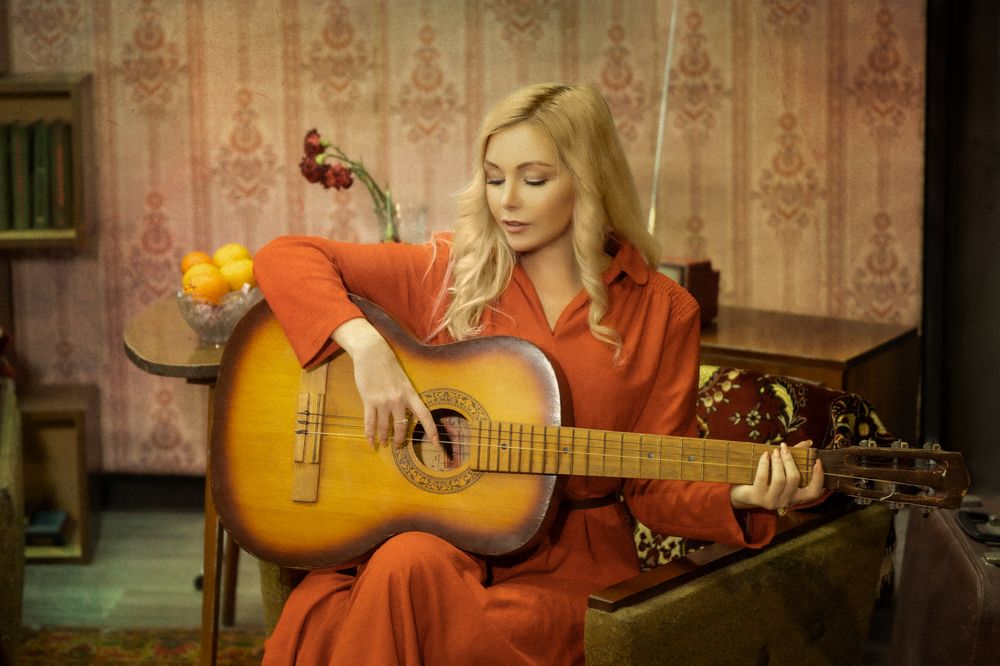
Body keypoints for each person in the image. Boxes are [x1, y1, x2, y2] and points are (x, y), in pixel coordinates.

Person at [254, 82, 825, 665]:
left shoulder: (663, 310)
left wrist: (743, 493)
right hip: (439, 541)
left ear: (588, 180)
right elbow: (285, 256)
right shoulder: (452, 272)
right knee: (402, 564)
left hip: (567, 568)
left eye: (533, 180)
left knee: (399, 583)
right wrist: (365, 347)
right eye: (493, 178)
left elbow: (654, 486)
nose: (507, 201)